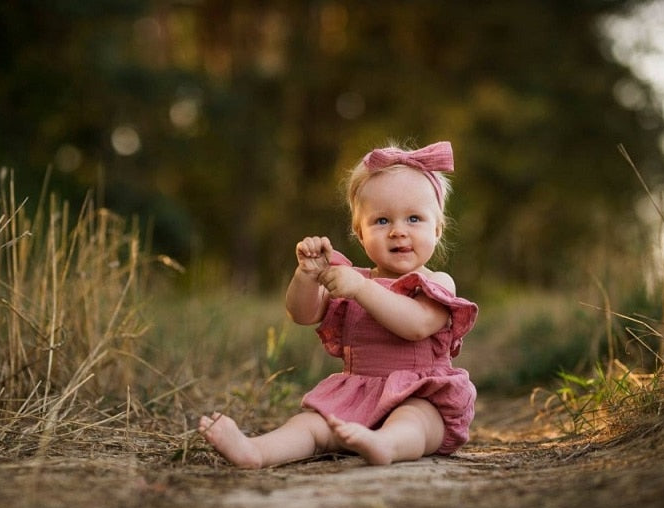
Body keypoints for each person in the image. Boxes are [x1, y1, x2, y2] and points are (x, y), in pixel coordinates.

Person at [198, 141, 478, 469]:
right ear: (360, 233)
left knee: (415, 421)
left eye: (414, 219)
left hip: (421, 396)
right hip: (356, 398)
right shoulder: (349, 278)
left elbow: (416, 325)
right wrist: (307, 276)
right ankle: (256, 452)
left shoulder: (438, 282)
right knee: (311, 425)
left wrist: (361, 289)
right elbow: (302, 314)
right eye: (382, 221)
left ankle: (384, 444)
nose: (398, 232)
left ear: (438, 228)